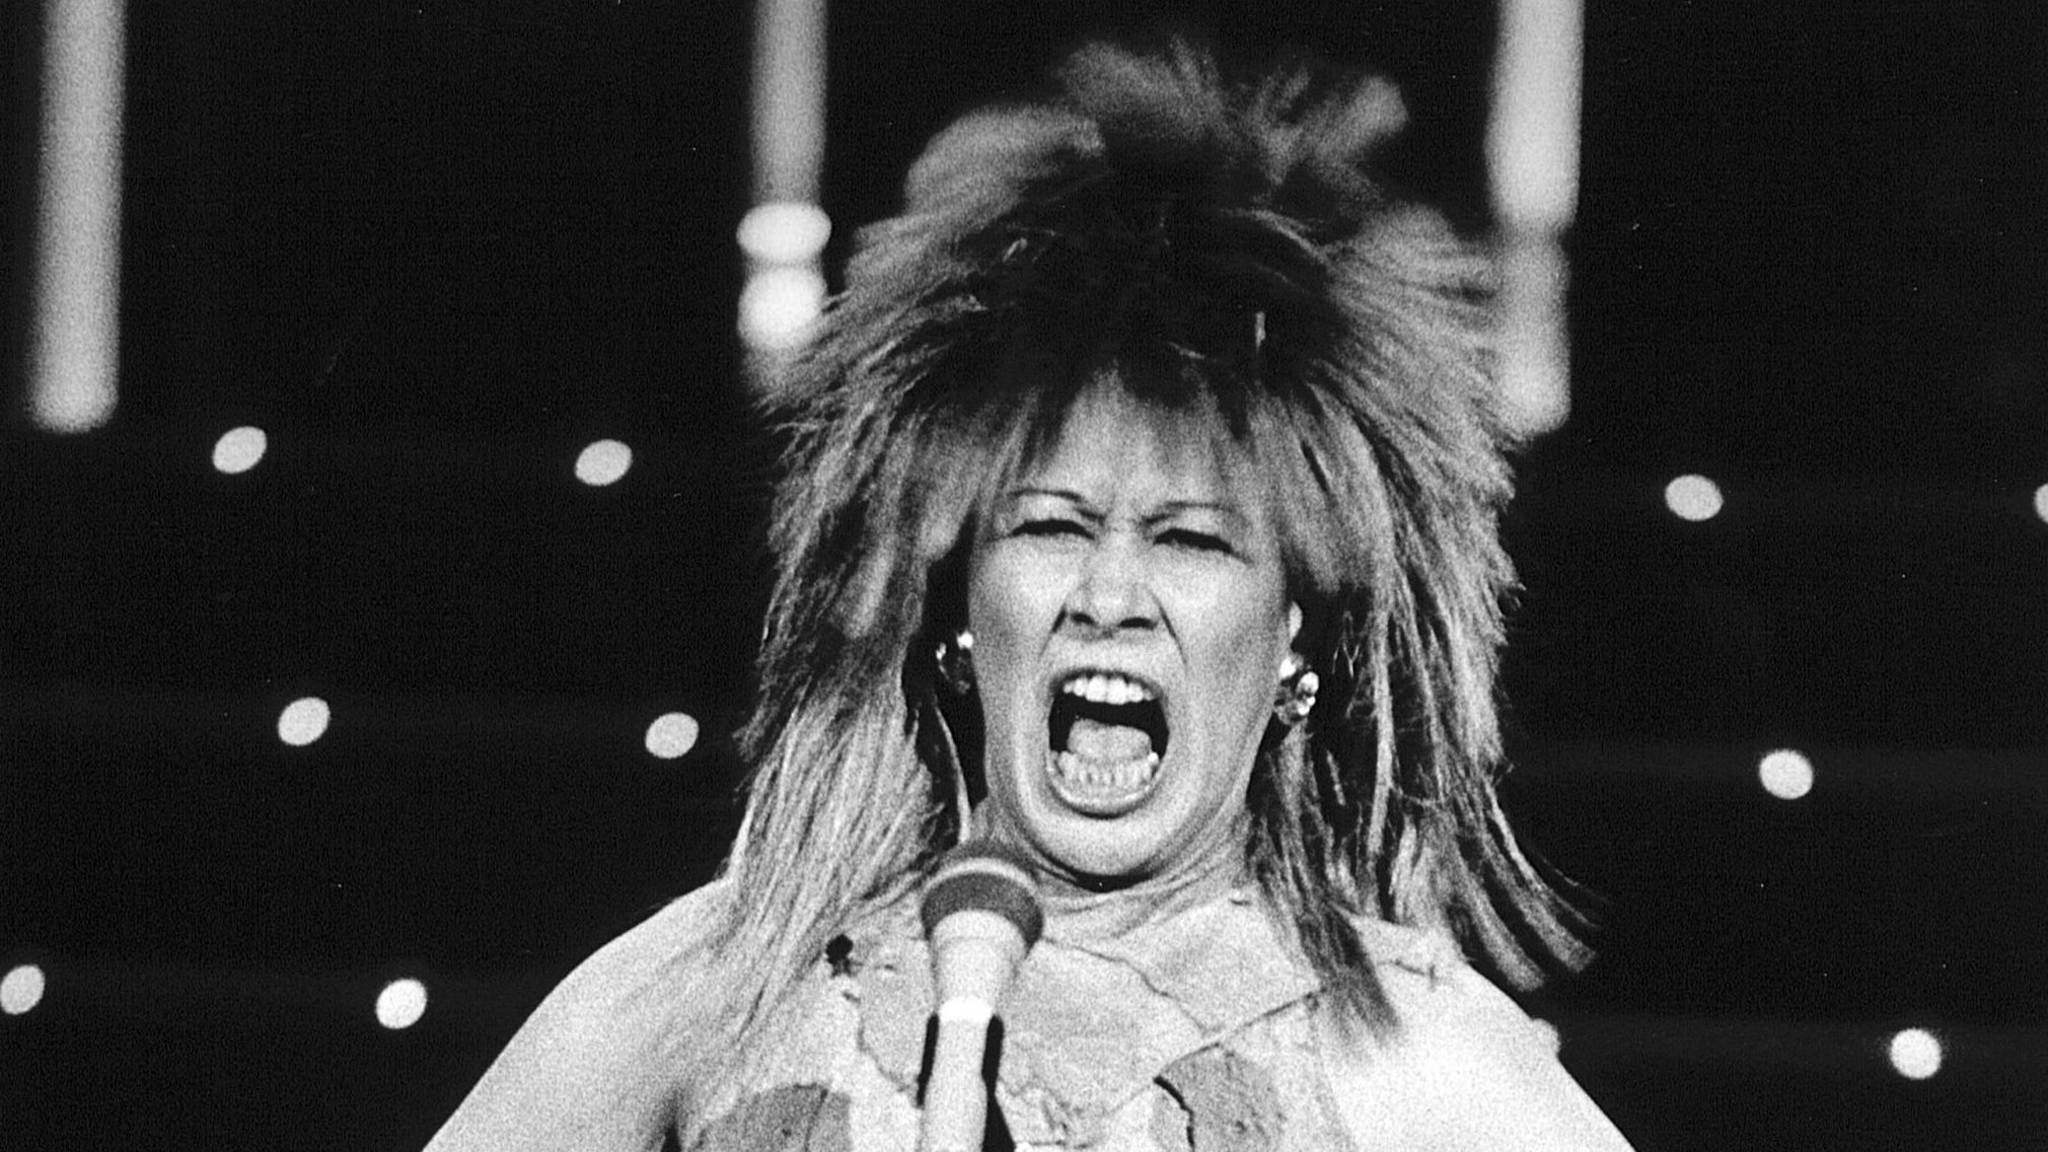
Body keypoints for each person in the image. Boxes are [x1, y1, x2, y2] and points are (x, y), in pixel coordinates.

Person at [424, 40, 1634, 1152]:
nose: (1109, 594)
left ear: (1293, 646)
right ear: (955, 615)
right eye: (1050, 526)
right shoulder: (722, 984)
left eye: (1190, 540)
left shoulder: (1410, 1056)